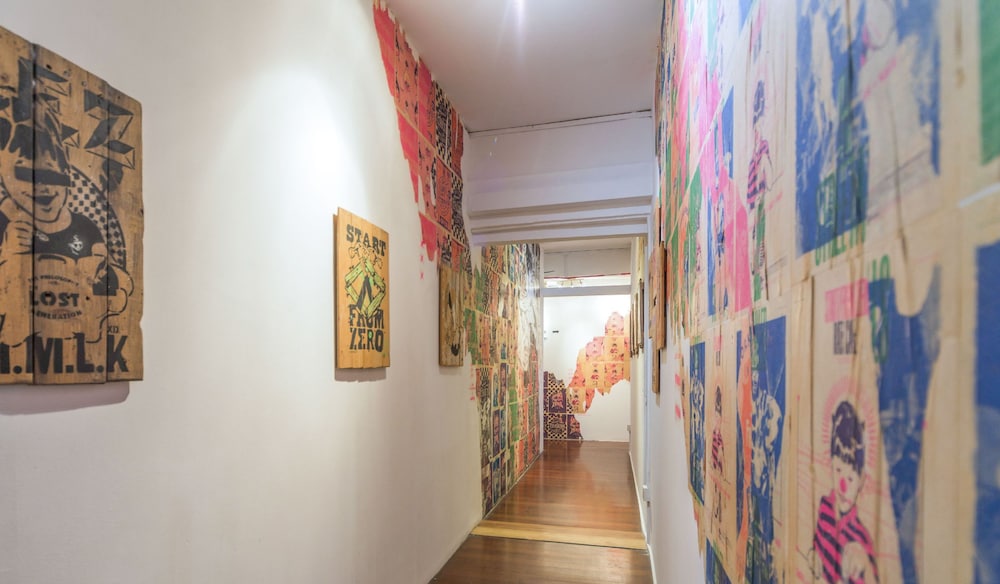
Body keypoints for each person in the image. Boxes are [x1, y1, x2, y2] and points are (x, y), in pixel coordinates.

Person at [812, 401, 879, 583]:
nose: (843, 486)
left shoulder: (861, 539)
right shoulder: (824, 508)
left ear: (862, 480)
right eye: (838, 470)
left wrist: (865, 566)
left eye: (850, 478)